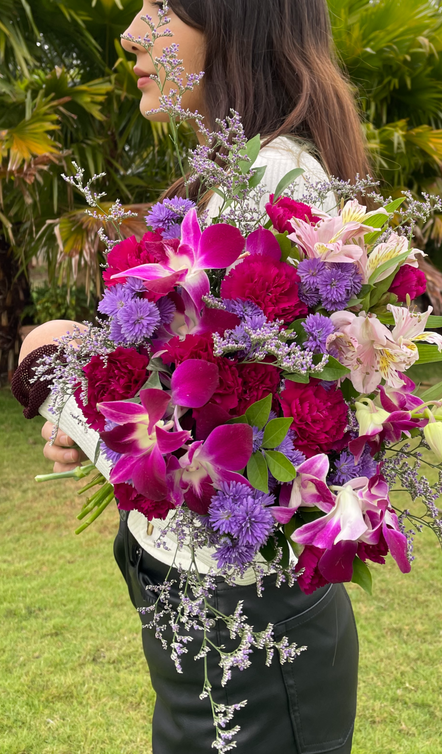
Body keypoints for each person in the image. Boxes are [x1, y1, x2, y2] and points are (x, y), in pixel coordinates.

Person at [17, 2, 369, 752]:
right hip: (229, 635)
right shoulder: (251, 174)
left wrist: (58, 363)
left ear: (237, 20)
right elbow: (211, 420)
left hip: (247, 644)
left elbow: (212, 488)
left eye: (161, 7)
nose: (132, 35)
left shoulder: (274, 177)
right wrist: (95, 401)